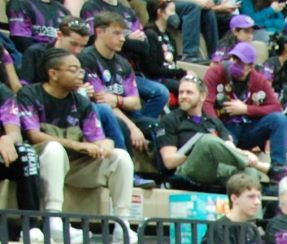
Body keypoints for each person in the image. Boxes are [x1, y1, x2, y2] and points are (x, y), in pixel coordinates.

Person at [17, 47, 135, 244]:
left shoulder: (81, 101)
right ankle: (53, 220)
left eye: (81, 70)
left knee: (120, 157)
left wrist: (106, 144)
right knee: (54, 149)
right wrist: (77, 145)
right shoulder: (29, 94)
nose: (80, 75)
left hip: (74, 167)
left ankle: (122, 224)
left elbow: (97, 138)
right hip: (40, 164)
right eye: (73, 70)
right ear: (53, 73)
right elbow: (33, 134)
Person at [80, 11, 167, 156]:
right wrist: (132, 127)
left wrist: (117, 99)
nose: (122, 39)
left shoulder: (123, 63)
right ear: (99, 32)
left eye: (123, 34)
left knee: (160, 127)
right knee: (122, 126)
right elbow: (103, 102)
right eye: (116, 33)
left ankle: (164, 176)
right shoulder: (87, 59)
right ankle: (130, 174)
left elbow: (136, 103)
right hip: (101, 117)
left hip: (128, 114)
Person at [158, 75, 266, 188]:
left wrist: (242, 153)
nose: (183, 96)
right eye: (181, 92)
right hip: (187, 169)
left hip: (216, 169)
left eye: (189, 92)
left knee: (249, 173)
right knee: (206, 141)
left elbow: (229, 147)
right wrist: (195, 149)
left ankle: (250, 202)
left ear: (202, 96)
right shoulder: (170, 120)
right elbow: (169, 162)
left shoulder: (213, 122)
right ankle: (262, 166)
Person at [202, 40, 287, 172]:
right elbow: (206, 104)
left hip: (248, 127)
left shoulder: (258, 79)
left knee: (279, 119)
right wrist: (221, 130)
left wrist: (247, 109)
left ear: (250, 66)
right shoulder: (216, 72)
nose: (235, 63)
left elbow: (276, 108)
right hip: (224, 126)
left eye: (240, 61)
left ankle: (278, 169)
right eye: (234, 58)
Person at [0, 79, 44, 226]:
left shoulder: (3, 92)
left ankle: (31, 226)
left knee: (27, 152)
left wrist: (7, 139)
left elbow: (15, 135)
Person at [19, 15, 88, 86]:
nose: (78, 51)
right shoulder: (35, 53)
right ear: (59, 35)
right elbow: (25, 88)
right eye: (73, 44)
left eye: (82, 46)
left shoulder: (82, 58)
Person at [140, 1, 186, 96]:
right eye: (172, 11)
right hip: (158, 79)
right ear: (160, 12)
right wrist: (181, 73)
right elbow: (153, 69)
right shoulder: (149, 34)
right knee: (190, 89)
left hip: (172, 76)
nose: (175, 15)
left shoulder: (169, 35)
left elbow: (174, 62)